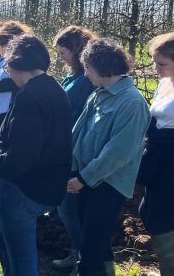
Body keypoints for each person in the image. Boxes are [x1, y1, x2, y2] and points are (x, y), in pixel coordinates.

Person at [0, 35, 72, 276]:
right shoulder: (54, 87)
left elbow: (22, 157)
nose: (7, 73)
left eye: (6, 66)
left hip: (23, 189)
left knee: (22, 258)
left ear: (17, 65)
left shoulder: (28, 98)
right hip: (48, 184)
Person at [68, 38, 150, 276]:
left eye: (88, 68)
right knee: (94, 242)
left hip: (107, 185)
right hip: (85, 179)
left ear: (103, 66)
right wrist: (73, 170)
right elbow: (79, 133)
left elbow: (118, 153)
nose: (85, 74)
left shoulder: (132, 103)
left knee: (91, 247)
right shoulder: (99, 94)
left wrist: (83, 178)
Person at [51, 25, 97, 273]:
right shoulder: (73, 76)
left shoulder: (86, 81)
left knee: (71, 208)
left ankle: (83, 260)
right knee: (67, 207)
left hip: (74, 151)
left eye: (63, 52)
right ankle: (80, 254)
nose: (61, 57)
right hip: (63, 147)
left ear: (77, 50)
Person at [137, 32, 174, 276]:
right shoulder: (164, 83)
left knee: (161, 217)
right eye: (154, 61)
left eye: (161, 64)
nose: (155, 68)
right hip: (156, 155)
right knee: (146, 211)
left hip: (171, 159)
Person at [0, 21, 32, 149]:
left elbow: (21, 81)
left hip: (11, 107)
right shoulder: (1, 58)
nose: (1, 47)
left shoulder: (24, 58)